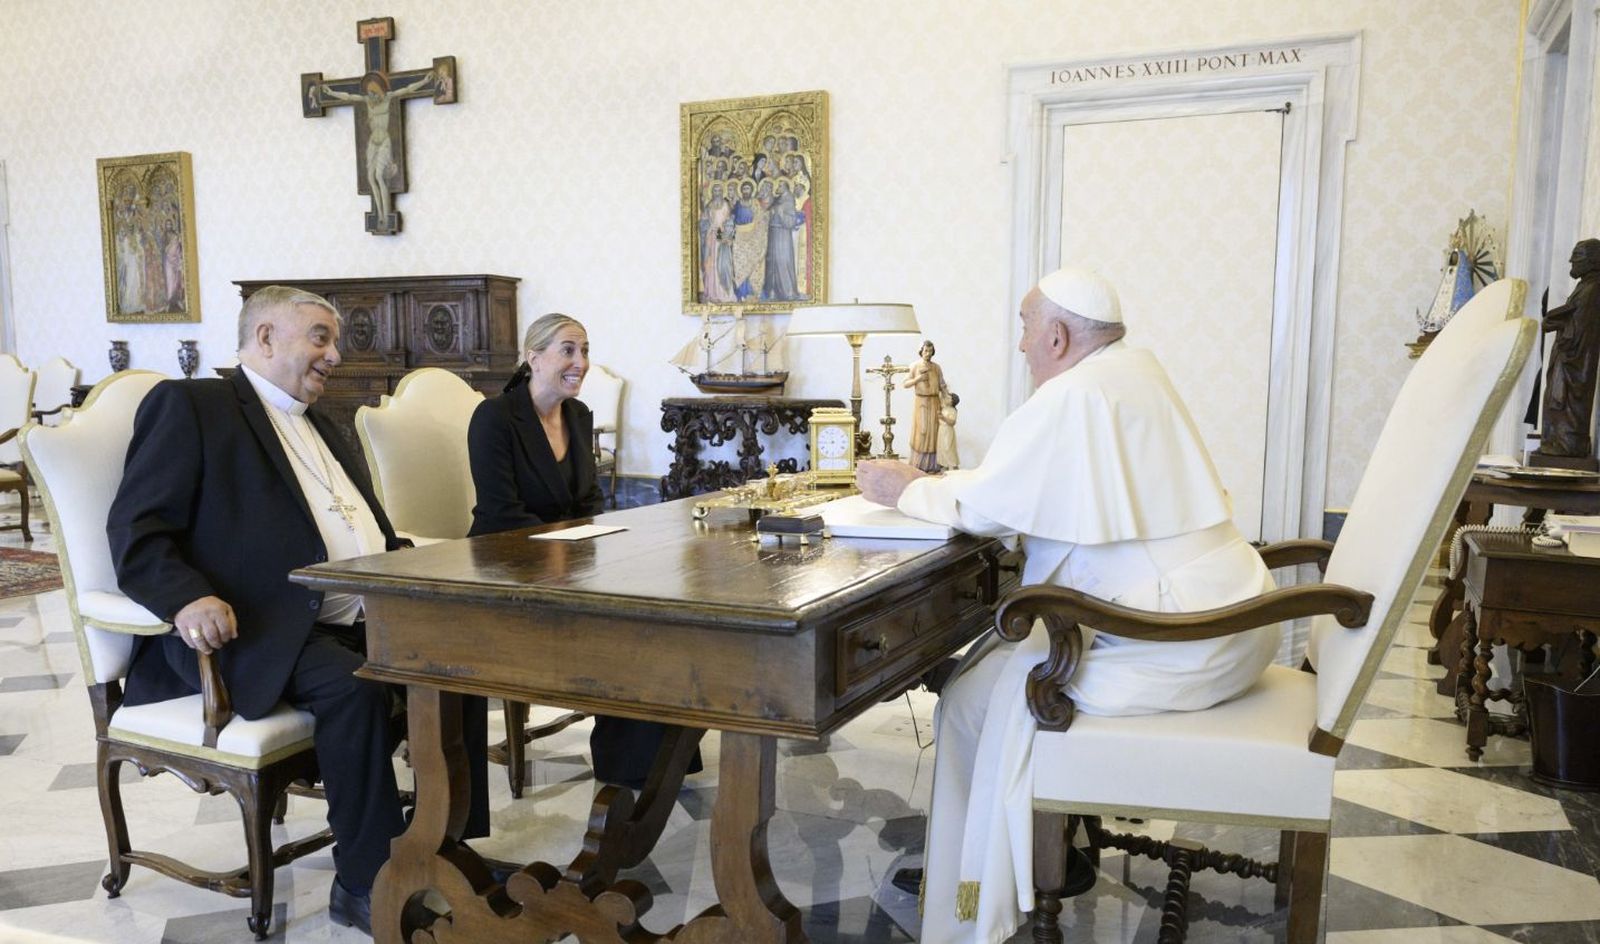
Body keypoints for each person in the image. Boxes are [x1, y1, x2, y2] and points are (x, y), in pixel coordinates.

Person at [856, 267, 1278, 943]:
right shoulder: (1134, 372)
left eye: (1025, 329)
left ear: (1056, 335)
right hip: (1232, 623)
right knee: (985, 676)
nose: (1020, 345)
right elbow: (1027, 487)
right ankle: (1019, 860)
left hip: (1175, 643)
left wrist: (901, 487)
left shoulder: (1072, 397)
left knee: (972, 701)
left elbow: (983, 507)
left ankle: (969, 903)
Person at [106, 286, 491, 936]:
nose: (334, 355)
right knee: (353, 691)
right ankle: (367, 884)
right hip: (250, 627)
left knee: (467, 661)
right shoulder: (194, 405)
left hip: (352, 616)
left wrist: (415, 572)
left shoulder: (319, 422)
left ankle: (443, 848)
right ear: (265, 338)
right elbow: (137, 532)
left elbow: (364, 529)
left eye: (333, 341)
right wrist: (186, 598)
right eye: (319, 337)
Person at [467, 313, 703, 787]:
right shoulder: (495, 418)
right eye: (568, 350)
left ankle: (662, 758)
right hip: (509, 564)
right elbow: (501, 513)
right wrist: (567, 555)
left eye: (585, 350)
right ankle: (627, 766)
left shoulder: (577, 416)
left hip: (570, 559)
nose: (581, 362)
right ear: (534, 358)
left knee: (668, 613)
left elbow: (590, 502)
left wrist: (599, 549)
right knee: (624, 629)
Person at [1535, 238, 1600, 459]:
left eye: (1577, 259)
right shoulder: (1585, 286)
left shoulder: (1593, 289)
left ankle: (1567, 444)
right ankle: (1555, 440)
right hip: (1567, 357)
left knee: (1566, 402)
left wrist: (1556, 323)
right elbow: (1573, 314)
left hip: (1576, 360)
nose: (1572, 263)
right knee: (1554, 399)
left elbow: (1581, 327)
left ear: (1592, 261)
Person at [902, 340, 948, 472]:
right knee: (922, 431)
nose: (928, 353)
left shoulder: (936, 367)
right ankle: (919, 464)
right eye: (925, 351)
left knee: (934, 432)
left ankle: (933, 465)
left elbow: (942, 384)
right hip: (921, 401)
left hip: (935, 402)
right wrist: (918, 379)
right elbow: (905, 384)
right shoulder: (914, 366)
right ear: (921, 351)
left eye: (930, 351)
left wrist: (947, 397)